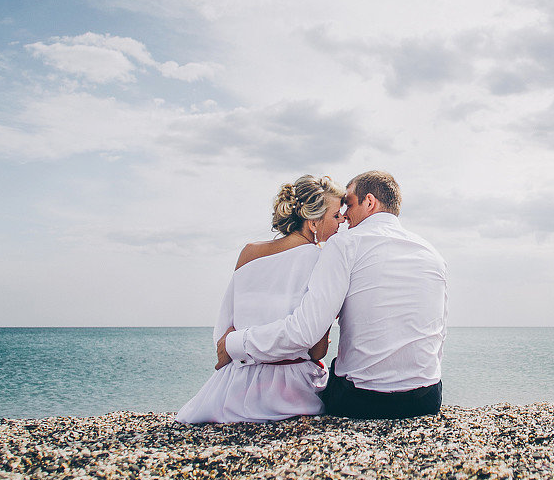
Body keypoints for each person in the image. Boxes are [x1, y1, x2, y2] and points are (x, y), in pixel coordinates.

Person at [217, 170, 447, 419]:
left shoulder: (346, 244)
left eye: (348, 204)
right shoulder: (432, 253)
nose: (345, 217)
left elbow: (305, 333)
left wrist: (234, 343)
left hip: (362, 399)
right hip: (427, 398)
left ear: (369, 202)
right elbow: (439, 333)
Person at [175, 174, 345, 423]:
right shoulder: (321, 259)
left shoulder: (248, 252)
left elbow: (224, 333)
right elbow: (317, 350)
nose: (342, 220)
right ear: (313, 222)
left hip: (233, 387)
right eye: (335, 215)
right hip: (288, 391)